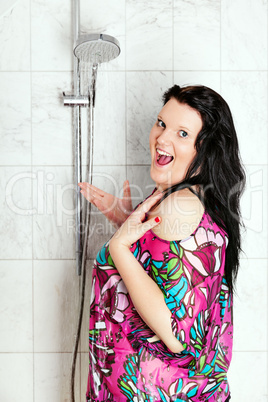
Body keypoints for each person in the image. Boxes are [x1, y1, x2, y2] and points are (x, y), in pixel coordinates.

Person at [78, 85, 246, 402]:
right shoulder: (187, 197)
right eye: (162, 122)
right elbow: (168, 269)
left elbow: (176, 334)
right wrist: (128, 222)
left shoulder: (179, 205)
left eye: (182, 133)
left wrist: (119, 248)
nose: (162, 138)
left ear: (205, 148)